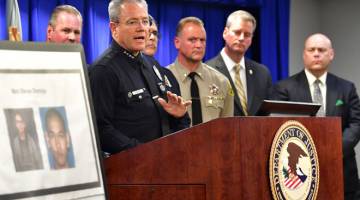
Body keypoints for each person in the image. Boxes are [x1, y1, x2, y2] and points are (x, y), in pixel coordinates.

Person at [89, 0, 191, 154]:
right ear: (114, 27)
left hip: (164, 164)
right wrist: (144, 152)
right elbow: (101, 130)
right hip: (130, 170)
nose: (142, 28)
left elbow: (173, 124)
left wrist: (179, 116)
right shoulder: (103, 70)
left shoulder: (152, 64)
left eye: (145, 21)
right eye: (132, 22)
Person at [271, 33, 360, 200]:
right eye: (311, 50)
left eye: (321, 50)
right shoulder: (284, 88)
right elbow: (278, 127)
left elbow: (356, 124)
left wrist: (334, 149)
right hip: (298, 173)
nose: (316, 54)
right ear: (304, 54)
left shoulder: (347, 88)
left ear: (331, 54)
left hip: (342, 169)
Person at [168, 17, 233, 126]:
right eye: (192, 40)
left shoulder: (222, 82)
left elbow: (228, 127)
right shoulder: (163, 79)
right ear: (177, 42)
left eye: (202, 40)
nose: (199, 45)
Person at [206, 10, 272, 116]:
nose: (241, 38)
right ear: (225, 33)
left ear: (251, 38)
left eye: (247, 34)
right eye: (237, 32)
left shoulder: (262, 73)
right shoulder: (207, 70)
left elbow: (267, 115)